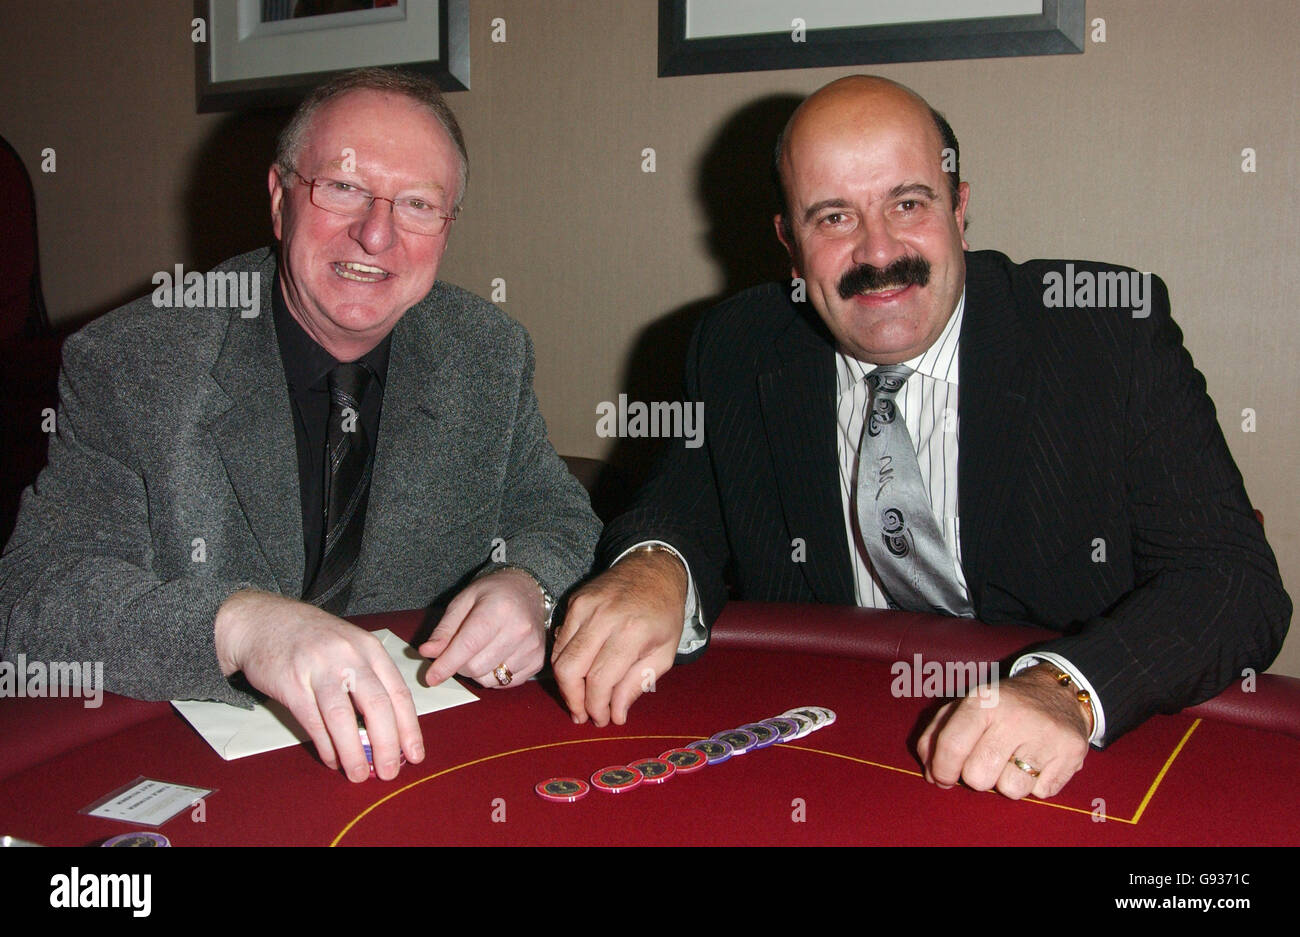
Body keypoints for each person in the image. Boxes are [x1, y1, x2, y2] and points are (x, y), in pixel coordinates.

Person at [553, 75, 1291, 799]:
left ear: (960, 207)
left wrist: (1067, 688)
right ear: (788, 241)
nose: (878, 253)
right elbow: (688, 502)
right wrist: (654, 566)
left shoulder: (1104, 332)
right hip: (825, 763)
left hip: (1067, 768)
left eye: (908, 203)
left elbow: (1234, 581)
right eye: (833, 217)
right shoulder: (742, 341)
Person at [0, 68, 600, 783]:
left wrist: (528, 585)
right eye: (342, 188)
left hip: (423, 767)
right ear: (281, 199)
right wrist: (241, 626)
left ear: (446, 230)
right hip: (198, 778)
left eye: (416, 203)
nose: (376, 233)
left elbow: (557, 514)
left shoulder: (486, 351)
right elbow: (34, 605)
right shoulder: (136, 361)